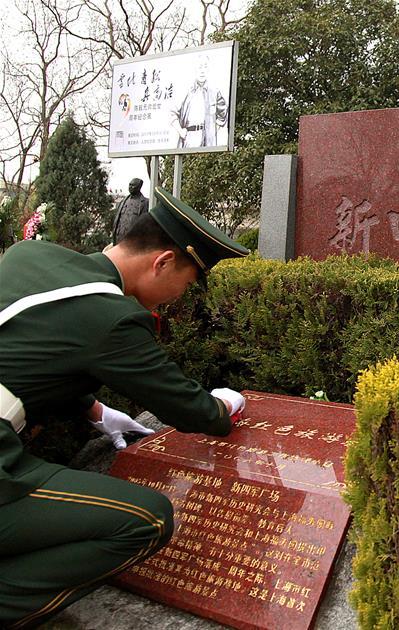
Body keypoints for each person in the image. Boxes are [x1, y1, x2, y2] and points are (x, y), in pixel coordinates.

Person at [0, 187, 249, 626]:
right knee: (145, 519)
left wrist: (93, 410)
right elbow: (194, 412)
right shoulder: (113, 317)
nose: (179, 298)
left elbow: (31, 345)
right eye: (187, 284)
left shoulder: (27, 255)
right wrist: (222, 405)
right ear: (164, 262)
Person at [170, 55, 228, 149]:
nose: (202, 70)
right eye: (199, 67)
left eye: (205, 67)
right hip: (189, 136)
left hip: (207, 139)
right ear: (195, 69)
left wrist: (213, 130)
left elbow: (223, 113)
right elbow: (172, 113)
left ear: (209, 69)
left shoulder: (214, 92)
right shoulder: (186, 91)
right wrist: (180, 131)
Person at [111, 177, 149, 244]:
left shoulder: (145, 202)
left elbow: (144, 224)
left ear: (139, 187)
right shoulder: (123, 201)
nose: (130, 187)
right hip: (118, 240)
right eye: (130, 185)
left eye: (133, 185)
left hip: (132, 243)